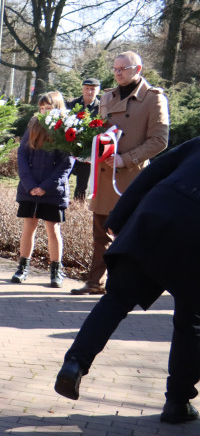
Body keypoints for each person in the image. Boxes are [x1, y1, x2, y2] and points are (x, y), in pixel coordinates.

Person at [55, 137, 200, 424]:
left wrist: (118, 219)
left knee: (117, 299)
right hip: (194, 238)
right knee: (191, 320)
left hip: (155, 215)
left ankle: (75, 363)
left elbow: (154, 171)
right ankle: (177, 401)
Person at [70, 52, 169, 295]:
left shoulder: (153, 98)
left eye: (123, 68)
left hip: (130, 176)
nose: (117, 73)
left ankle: (123, 285)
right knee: (100, 233)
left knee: (125, 233)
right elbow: (101, 132)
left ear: (138, 69)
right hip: (104, 173)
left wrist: (127, 159)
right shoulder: (107, 97)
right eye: (115, 69)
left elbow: (159, 140)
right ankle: (95, 282)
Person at [10, 92, 75, 288]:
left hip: (52, 191)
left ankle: (56, 270)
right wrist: (30, 185)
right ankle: (22, 268)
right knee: (28, 227)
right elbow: (22, 154)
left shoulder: (66, 128)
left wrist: (46, 187)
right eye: (42, 108)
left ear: (58, 108)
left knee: (52, 229)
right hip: (29, 188)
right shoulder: (34, 124)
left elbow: (67, 162)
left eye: (49, 108)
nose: (44, 112)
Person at [69, 78, 102, 201]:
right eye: (87, 88)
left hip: (87, 150)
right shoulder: (71, 104)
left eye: (93, 89)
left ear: (98, 90)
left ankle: (78, 208)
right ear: (82, 89)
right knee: (63, 179)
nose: (89, 92)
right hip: (69, 147)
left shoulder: (101, 107)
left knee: (82, 184)